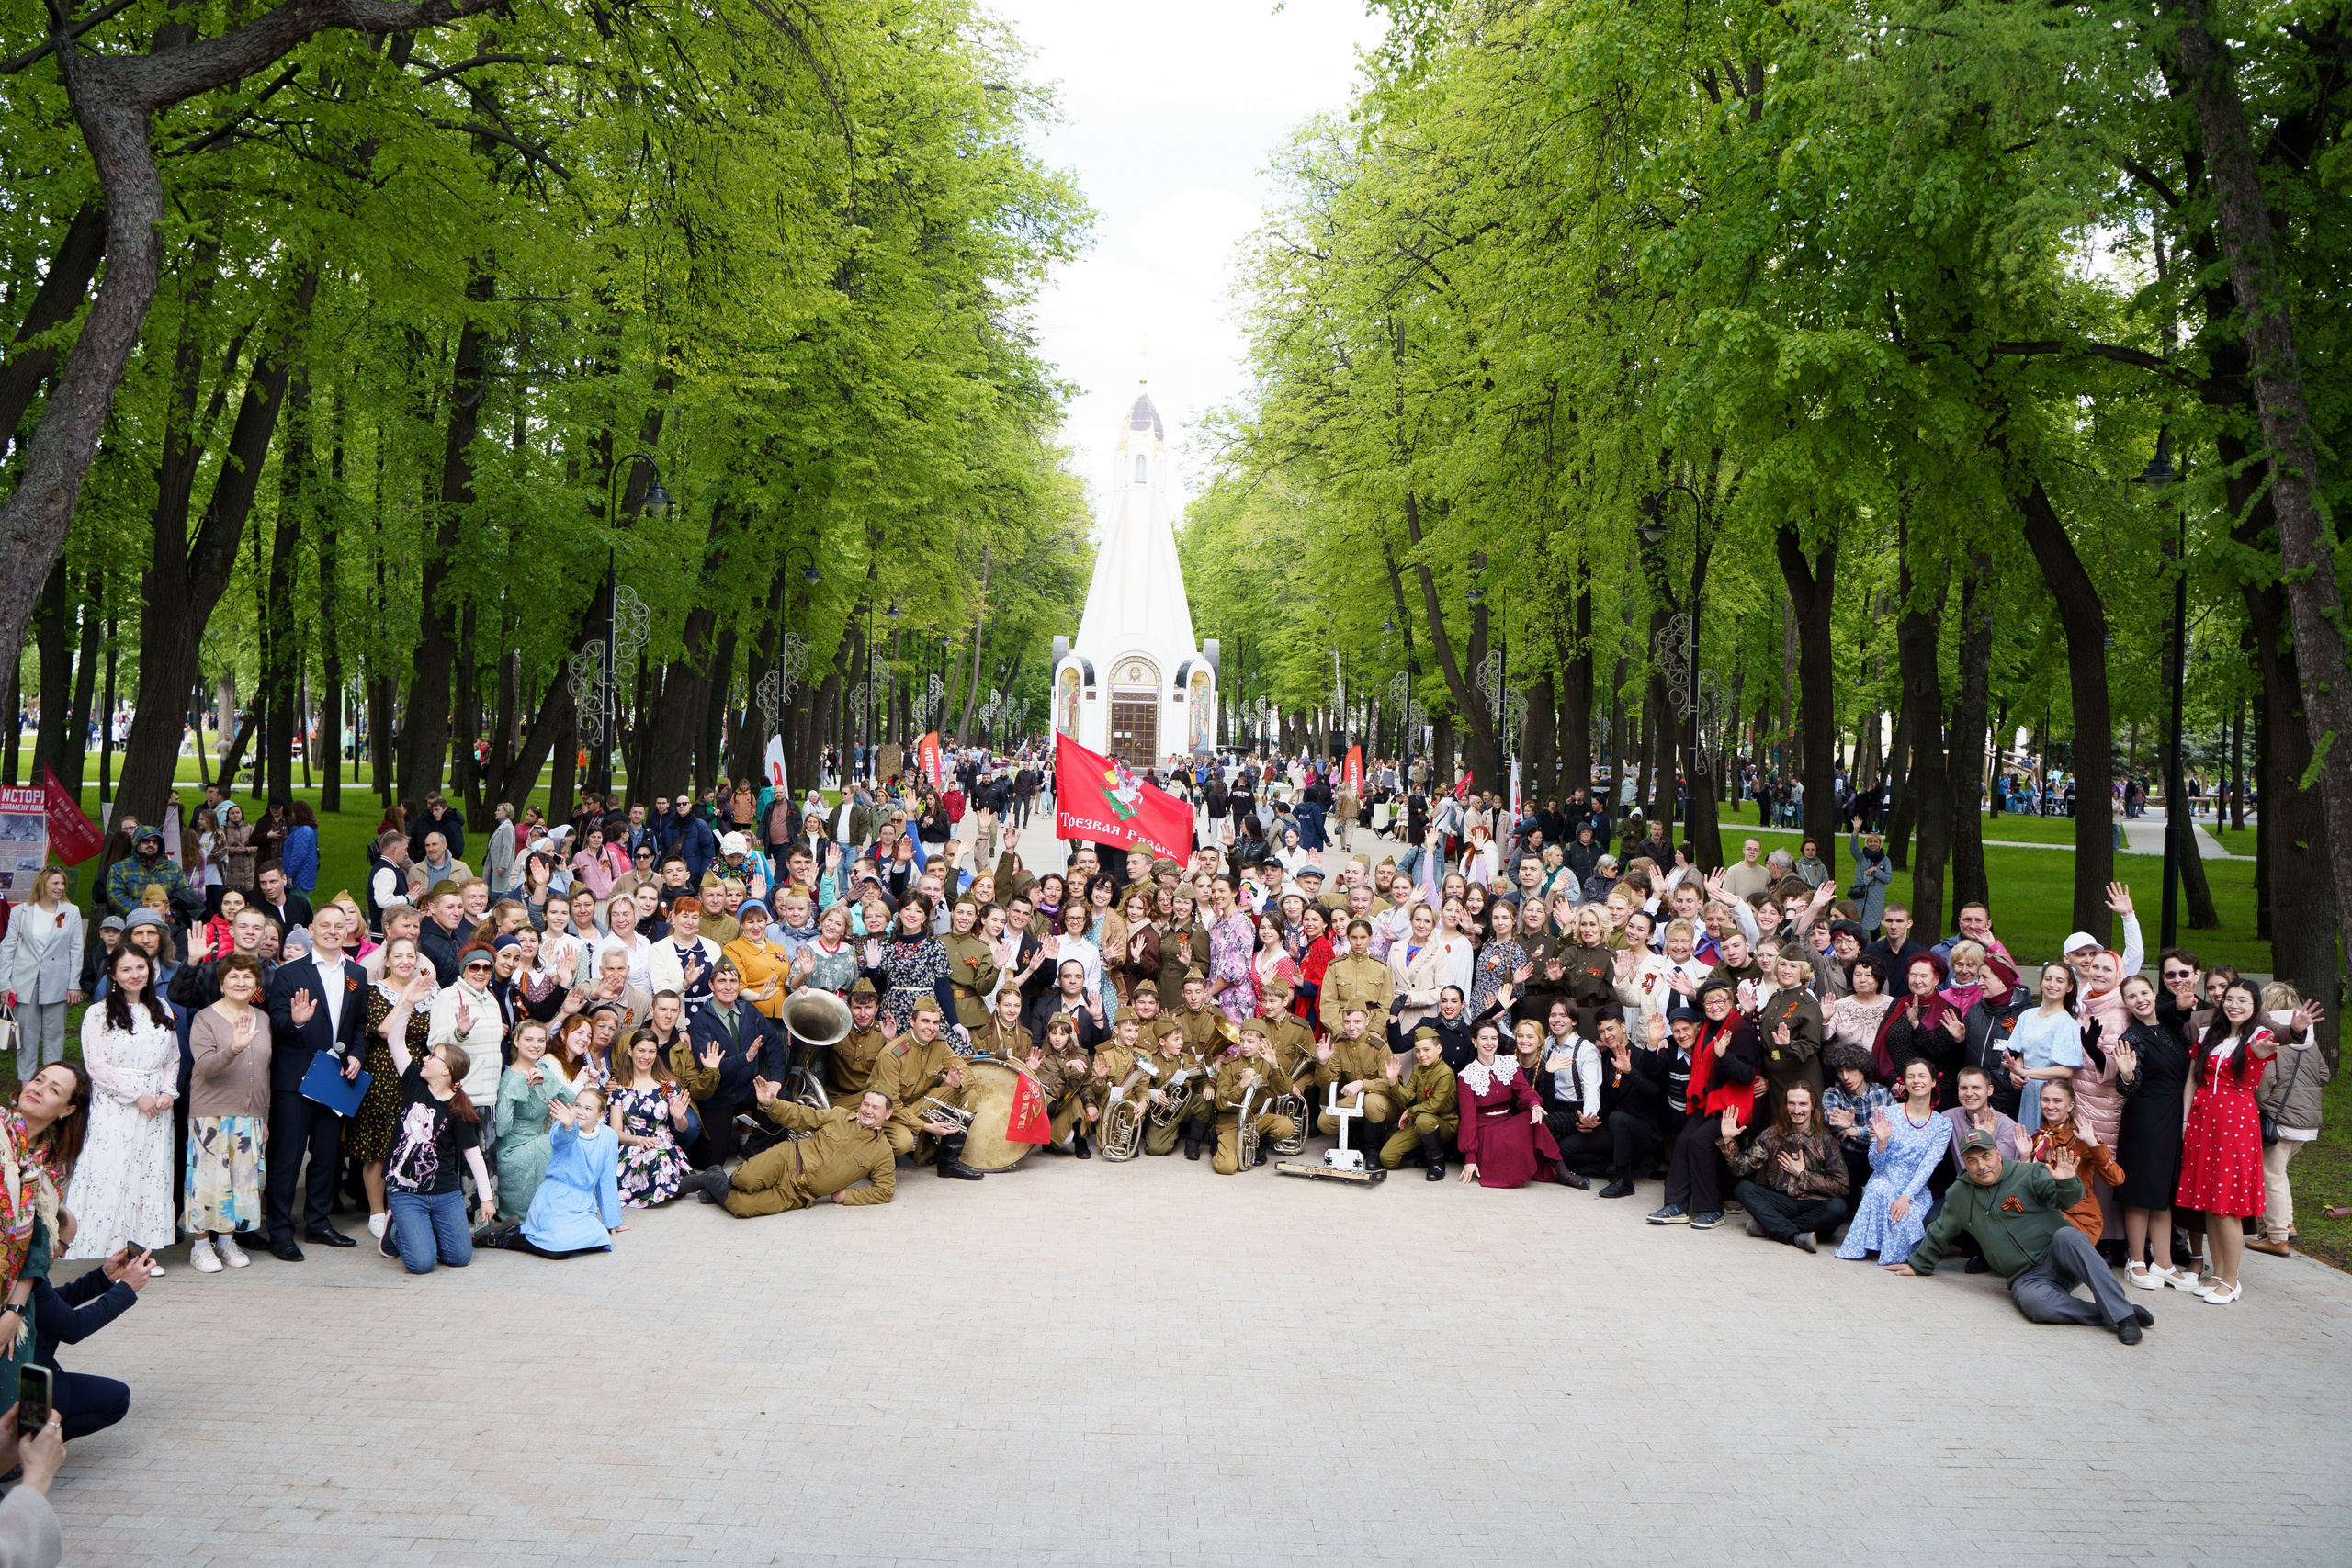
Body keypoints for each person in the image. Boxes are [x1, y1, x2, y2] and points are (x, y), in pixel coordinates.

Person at [1888, 1129, 2154, 1344]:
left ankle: (2125, 1319)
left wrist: (2066, 1181)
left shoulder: (2029, 1173)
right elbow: (1940, 1231)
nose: (1982, 1166)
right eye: (1972, 1160)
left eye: (1986, 1156)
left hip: (2058, 1255)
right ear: (1964, 1163)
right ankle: (2117, 1311)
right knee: (2035, 1306)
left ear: (1999, 1154)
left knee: (2069, 1236)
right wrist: (1918, 1264)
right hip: (2027, 1277)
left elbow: (2066, 1198)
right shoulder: (1959, 1194)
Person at [263, 906, 368, 1260]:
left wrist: (356, 1053)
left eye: (339, 926)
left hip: (335, 1079)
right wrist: (293, 1020)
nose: (332, 931)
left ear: (347, 931)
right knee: (287, 1158)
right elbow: (275, 1021)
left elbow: (360, 1024)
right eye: (325, 925)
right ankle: (279, 1231)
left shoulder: (357, 973)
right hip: (294, 1079)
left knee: (326, 1155)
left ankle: (319, 1223)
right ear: (312, 928)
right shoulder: (290, 973)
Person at [65, 947, 181, 1269]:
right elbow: (96, 1066)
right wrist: (136, 1095)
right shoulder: (98, 1013)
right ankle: (114, 1252)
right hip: (116, 1106)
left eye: (141, 968)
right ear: (113, 975)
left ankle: (143, 1250)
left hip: (156, 1109)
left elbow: (173, 1058)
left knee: (149, 1174)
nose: (135, 975)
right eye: (127, 969)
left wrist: (168, 1091)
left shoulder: (162, 1008)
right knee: (114, 1172)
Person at [2172, 978, 2278, 1305]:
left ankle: (2232, 1280)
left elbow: (2268, 1049)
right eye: (2230, 999)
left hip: (2236, 1122)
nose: (2234, 1005)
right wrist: (2187, 1119)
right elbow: (2193, 1078)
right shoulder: (2209, 1035)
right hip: (2204, 1122)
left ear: (2254, 1006)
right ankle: (2217, 1273)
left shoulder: (2258, 1038)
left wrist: (2284, 1037)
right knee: (2206, 1200)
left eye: (2243, 1001)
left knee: (2226, 1204)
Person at [377, 1012, 494, 1273]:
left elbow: (474, 1155)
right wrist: (408, 1002)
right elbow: (395, 1041)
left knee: (460, 1257)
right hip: (405, 1189)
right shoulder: (414, 1084)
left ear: (446, 1070)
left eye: (432, 1056)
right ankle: (397, 1226)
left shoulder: (459, 1107)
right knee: (421, 1263)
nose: (425, 1058)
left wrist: (486, 1198)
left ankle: (422, 1229)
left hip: (444, 1192)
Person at [184, 953, 273, 1273]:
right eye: (233, 976)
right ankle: (200, 1246)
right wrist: (234, 1047)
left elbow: (262, 1073)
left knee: (239, 1182)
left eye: (248, 977)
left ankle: (225, 1242)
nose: (241, 982)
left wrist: (263, 1117)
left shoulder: (261, 1018)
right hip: (212, 1114)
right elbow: (205, 1068)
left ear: (256, 984)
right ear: (221, 983)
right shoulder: (205, 1019)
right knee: (207, 1184)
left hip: (248, 1114)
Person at [682, 1084, 898, 1215]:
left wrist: (848, 1196)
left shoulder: (883, 1152)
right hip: (786, 1159)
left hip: (800, 1193)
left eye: (875, 1107)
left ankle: (712, 1179)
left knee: (741, 1207)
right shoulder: (839, 1114)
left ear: (887, 1114)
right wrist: (771, 1104)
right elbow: (800, 1115)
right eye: (865, 1104)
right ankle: (719, 1183)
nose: (867, 1111)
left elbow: (885, 1191)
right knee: (744, 1180)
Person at [2111, 974, 2194, 1288]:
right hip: (2146, 1121)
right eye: (2132, 996)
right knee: (2142, 1192)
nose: (2140, 999)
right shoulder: (2131, 1038)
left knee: (2163, 1194)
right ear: (2127, 1004)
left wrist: (2180, 1006)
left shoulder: (2170, 1027)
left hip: (2173, 1119)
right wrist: (2128, 1074)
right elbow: (2126, 1088)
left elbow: (2178, 1013)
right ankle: (2136, 1260)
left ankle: (2163, 1262)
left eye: (2144, 992)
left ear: (2153, 994)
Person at [493, 1090, 623, 1258]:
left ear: (600, 1114)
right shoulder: (562, 1128)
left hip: (582, 1204)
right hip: (555, 1199)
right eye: (577, 1105)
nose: (580, 1111)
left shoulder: (608, 1136)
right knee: (557, 1248)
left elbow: (607, 1180)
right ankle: (511, 1238)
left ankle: (558, 1238)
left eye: (588, 1108)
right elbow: (560, 1139)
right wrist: (568, 1126)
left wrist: (612, 1221)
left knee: (600, 1239)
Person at [1837, 1057, 1944, 1261]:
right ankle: (1875, 1245)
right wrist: (1881, 1143)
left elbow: (1928, 1166)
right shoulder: (1887, 1113)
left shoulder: (1942, 1124)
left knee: (1906, 1220)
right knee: (1879, 1188)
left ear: (1933, 1082)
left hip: (1915, 1188)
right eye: (1911, 1076)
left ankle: (1894, 1251)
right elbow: (1875, 1164)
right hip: (1885, 1179)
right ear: (1904, 1082)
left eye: (1922, 1076)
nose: (1916, 1081)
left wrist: (1906, 1196)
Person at [1723, 1083, 1849, 1252]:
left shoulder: (1826, 1140)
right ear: (1785, 1105)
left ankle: (1770, 1227)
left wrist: (1802, 1174)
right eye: (1792, 1103)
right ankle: (1795, 1236)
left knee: (1839, 1208)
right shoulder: (1771, 1135)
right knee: (1743, 1189)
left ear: (1813, 1106)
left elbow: (1842, 1186)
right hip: (1781, 1203)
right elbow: (1741, 1168)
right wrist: (1728, 1140)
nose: (1797, 1110)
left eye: (1803, 1104)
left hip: (1814, 1205)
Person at [2253, 983, 2330, 1259]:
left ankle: (2277, 1236)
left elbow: (2266, 1082)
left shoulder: (2274, 1036)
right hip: (2307, 1120)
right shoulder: (2308, 1037)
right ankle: (2288, 1224)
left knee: (2272, 1175)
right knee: (2280, 1172)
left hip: (2280, 1118)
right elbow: (2323, 1075)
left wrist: (2258, 1102)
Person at [0, 867, 84, 1084]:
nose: (60, 888)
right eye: (55, 883)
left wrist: (74, 983)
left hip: (58, 981)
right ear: (42, 884)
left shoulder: (71, 911)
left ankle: (52, 1083)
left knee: (54, 1036)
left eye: (63, 883)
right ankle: (26, 1084)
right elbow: (7, 947)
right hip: (24, 982)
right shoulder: (21, 911)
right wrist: (4, 984)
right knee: (27, 1036)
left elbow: (76, 949)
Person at [1453, 1024, 1558, 1189]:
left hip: (1507, 1121)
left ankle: (1562, 1170)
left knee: (1532, 1118)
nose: (1489, 1043)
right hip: (1485, 1130)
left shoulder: (1509, 1063)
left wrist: (1534, 1105)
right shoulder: (1467, 1076)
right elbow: (1468, 1118)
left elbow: (1523, 1089)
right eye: (1484, 1038)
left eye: (1494, 1038)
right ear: (1474, 1041)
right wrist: (1470, 1158)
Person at [492, 1021, 574, 1220]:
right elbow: (502, 1130)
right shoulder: (510, 1077)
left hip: (539, 1142)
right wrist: (514, 1091)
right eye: (529, 1039)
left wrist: (550, 1080)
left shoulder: (544, 1069)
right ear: (516, 1041)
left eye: (540, 1040)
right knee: (562, 1144)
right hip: (515, 1151)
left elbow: (575, 1104)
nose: (535, 1045)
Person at [608, 1031, 694, 1206]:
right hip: (631, 1145)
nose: (646, 1057)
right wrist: (637, 1139)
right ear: (631, 1051)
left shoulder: (667, 1086)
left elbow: (683, 1127)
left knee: (659, 1156)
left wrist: (679, 1118)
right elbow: (615, 1132)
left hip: (663, 1143)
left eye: (651, 1051)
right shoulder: (619, 1088)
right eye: (641, 1050)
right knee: (653, 1159)